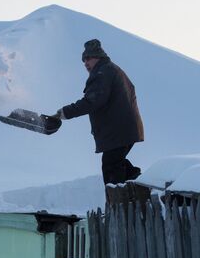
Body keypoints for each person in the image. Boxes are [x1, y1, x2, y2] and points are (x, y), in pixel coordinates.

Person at [54, 39, 145, 185]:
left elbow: (93, 101)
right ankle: (139, 184)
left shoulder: (102, 72)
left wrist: (64, 112)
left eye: (88, 58)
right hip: (124, 129)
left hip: (118, 131)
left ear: (98, 57)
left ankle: (119, 202)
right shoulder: (112, 70)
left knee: (111, 168)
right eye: (84, 60)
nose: (86, 63)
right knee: (116, 163)